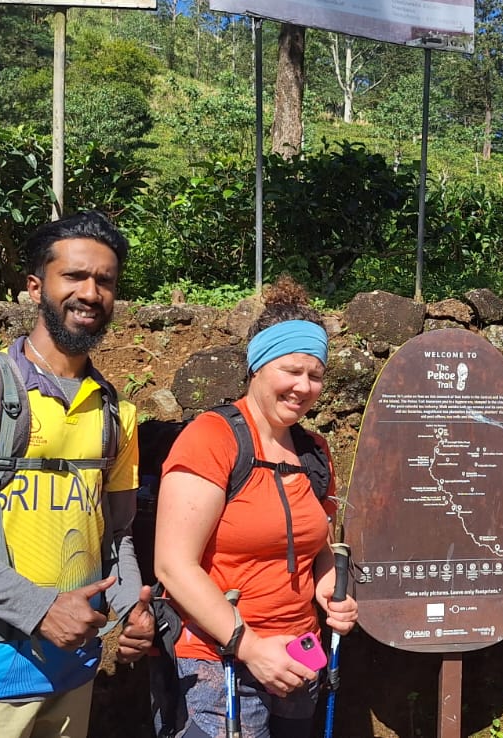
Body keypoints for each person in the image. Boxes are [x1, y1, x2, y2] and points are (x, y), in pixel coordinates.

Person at [0, 211, 154, 738]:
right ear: (36, 287)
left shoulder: (116, 412)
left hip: (74, 662)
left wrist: (131, 607)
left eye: (105, 281)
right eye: (74, 276)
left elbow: (116, 534)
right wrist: (40, 609)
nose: (90, 293)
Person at [153, 277, 359, 738]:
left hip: (299, 655)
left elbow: (318, 545)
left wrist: (330, 589)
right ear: (258, 366)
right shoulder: (212, 439)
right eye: (291, 370)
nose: (304, 387)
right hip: (221, 658)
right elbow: (172, 564)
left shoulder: (313, 452)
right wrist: (248, 646)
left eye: (315, 375)